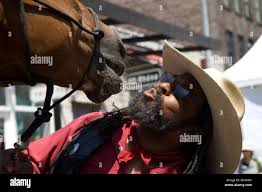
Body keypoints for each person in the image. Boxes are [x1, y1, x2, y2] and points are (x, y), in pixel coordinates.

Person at [0, 41, 245, 174]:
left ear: (197, 129)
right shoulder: (92, 127)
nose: (163, 86)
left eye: (183, 90)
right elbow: (31, 167)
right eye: (168, 78)